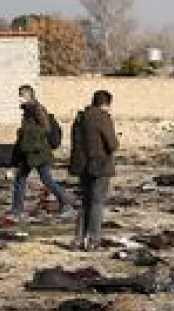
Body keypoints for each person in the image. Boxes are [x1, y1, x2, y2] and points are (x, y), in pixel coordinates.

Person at [8, 86, 71, 220]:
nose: (19, 98)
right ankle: (16, 210)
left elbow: (46, 128)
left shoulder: (37, 108)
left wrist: (29, 136)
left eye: (22, 95)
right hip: (28, 152)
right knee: (20, 179)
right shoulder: (27, 110)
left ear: (29, 95)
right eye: (19, 95)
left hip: (38, 152)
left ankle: (65, 203)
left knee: (46, 180)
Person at [68, 89, 119, 250]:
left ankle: (78, 239)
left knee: (85, 202)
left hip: (82, 165)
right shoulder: (102, 118)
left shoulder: (80, 117)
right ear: (106, 104)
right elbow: (112, 144)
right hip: (100, 165)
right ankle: (93, 240)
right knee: (97, 203)